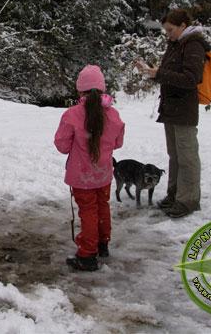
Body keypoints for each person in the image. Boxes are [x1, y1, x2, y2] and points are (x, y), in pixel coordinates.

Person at [135, 8, 210, 218]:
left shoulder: (193, 45)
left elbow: (191, 78)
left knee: (187, 157)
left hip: (184, 110)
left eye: (170, 30)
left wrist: (159, 73)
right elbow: (171, 73)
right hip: (171, 108)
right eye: (166, 30)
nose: (167, 34)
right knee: (175, 156)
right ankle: (174, 195)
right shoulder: (176, 44)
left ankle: (188, 201)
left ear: (183, 27)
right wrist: (153, 72)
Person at [54, 65, 125, 271]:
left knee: (88, 211)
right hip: (104, 174)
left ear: (80, 90)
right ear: (102, 90)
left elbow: (62, 145)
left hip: (81, 176)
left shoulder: (72, 115)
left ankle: (87, 255)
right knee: (102, 206)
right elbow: (118, 143)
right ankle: (103, 244)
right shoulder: (114, 115)